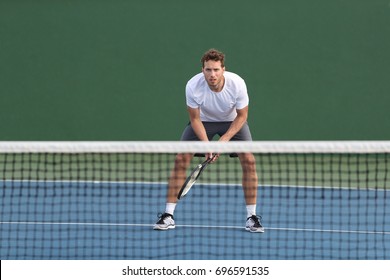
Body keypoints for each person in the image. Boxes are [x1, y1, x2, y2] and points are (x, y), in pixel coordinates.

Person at [153, 49, 264, 233]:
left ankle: (251, 217)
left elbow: (242, 116)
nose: (212, 74)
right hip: (203, 121)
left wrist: (224, 141)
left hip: (233, 121)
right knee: (181, 159)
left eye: (216, 70)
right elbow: (195, 119)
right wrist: (207, 146)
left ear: (223, 69)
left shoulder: (237, 84)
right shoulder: (193, 86)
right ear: (202, 70)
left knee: (249, 160)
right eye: (208, 70)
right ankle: (168, 215)